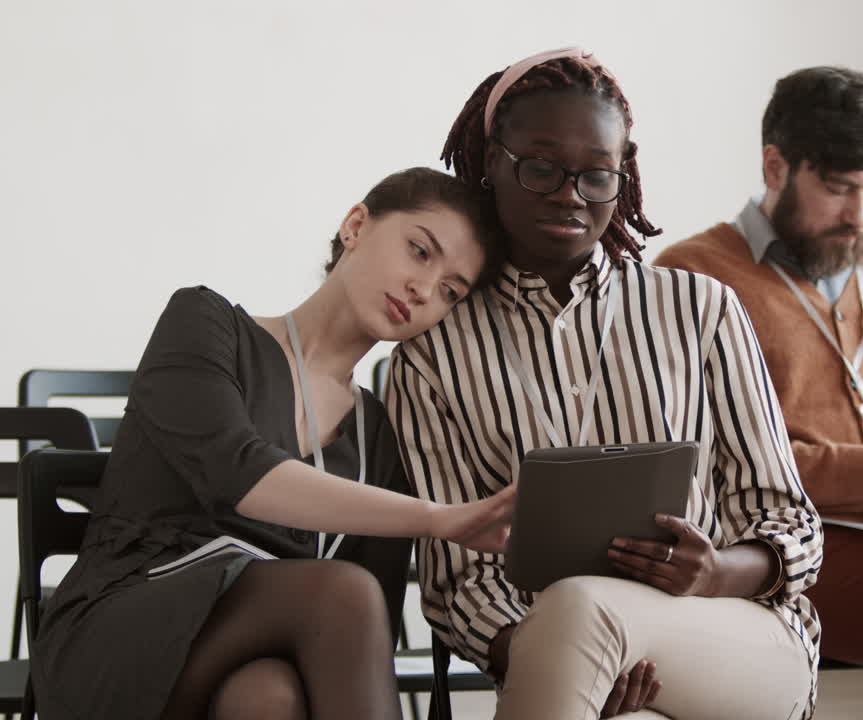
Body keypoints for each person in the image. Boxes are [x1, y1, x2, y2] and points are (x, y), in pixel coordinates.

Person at [387, 48, 822, 720]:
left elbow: (790, 521)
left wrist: (715, 573)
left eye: (596, 176)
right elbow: (457, 583)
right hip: (566, 663)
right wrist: (553, 656)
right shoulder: (431, 350)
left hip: (737, 636)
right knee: (585, 637)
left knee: (579, 605)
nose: (569, 194)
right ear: (489, 162)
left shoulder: (701, 309)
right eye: (541, 167)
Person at [32, 167, 516, 720]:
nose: (425, 290)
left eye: (451, 292)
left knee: (269, 696)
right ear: (356, 224)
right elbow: (236, 473)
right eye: (419, 252)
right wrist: (436, 517)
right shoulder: (205, 325)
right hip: (117, 633)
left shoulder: (380, 435)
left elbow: (364, 632)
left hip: (243, 662)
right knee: (342, 593)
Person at [654, 66, 863, 666]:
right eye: (840, 188)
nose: (860, 216)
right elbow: (701, 470)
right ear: (775, 168)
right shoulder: (691, 278)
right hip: (780, 557)